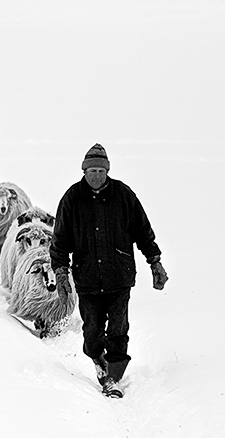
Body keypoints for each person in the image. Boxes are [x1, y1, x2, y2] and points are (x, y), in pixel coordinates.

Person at [50, 144, 168, 398]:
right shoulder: (72, 199)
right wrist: (61, 273)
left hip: (119, 277)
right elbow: (59, 242)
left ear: (108, 171)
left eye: (101, 170)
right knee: (92, 332)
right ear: (84, 171)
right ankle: (97, 358)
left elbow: (143, 232)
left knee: (118, 329)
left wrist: (155, 262)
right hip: (87, 279)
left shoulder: (124, 195)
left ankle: (112, 377)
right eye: (92, 170)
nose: (96, 175)